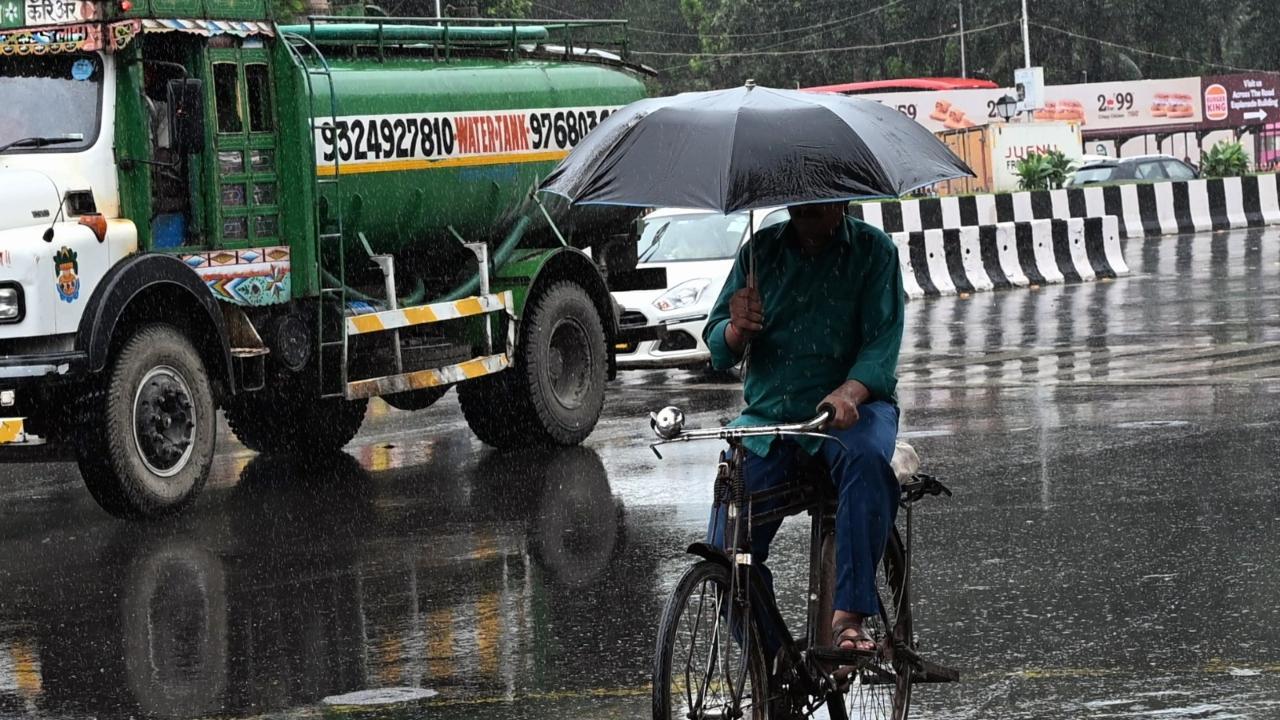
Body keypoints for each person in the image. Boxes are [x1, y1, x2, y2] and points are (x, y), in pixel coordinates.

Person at [703, 200, 904, 659]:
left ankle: (849, 615)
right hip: (772, 420)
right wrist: (736, 327)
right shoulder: (760, 252)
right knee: (726, 552)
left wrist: (850, 393)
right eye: (801, 197)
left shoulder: (874, 252)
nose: (809, 205)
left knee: (867, 460)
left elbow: (881, 347)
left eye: (822, 196)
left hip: (852, 411)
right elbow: (718, 347)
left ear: (844, 198)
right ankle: (775, 665)